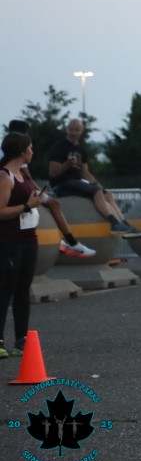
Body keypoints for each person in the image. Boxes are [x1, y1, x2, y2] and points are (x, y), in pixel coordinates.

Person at [7, 120, 95, 257]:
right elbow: (26, 176)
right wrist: (38, 189)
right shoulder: (18, 150)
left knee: (45, 206)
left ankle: (61, 239)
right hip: (17, 188)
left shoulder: (8, 148)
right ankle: (70, 241)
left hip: (14, 186)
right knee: (52, 204)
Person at [48, 119, 141, 238]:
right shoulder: (59, 147)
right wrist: (67, 164)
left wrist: (99, 186)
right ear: (66, 130)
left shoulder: (81, 149)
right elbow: (53, 173)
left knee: (107, 195)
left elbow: (86, 173)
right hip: (62, 184)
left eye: (76, 130)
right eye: (71, 130)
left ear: (81, 132)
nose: (73, 133)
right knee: (96, 191)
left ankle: (124, 224)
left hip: (76, 182)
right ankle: (114, 224)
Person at [0, 132, 46, 358]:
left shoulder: (23, 173)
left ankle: (21, 339)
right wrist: (27, 206)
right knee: (5, 289)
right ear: (21, 151)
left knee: (23, 289)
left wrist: (35, 200)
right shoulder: (5, 176)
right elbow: (0, 211)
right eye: (30, 148)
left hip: (29, 239)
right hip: (10, 241)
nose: (32, 151)